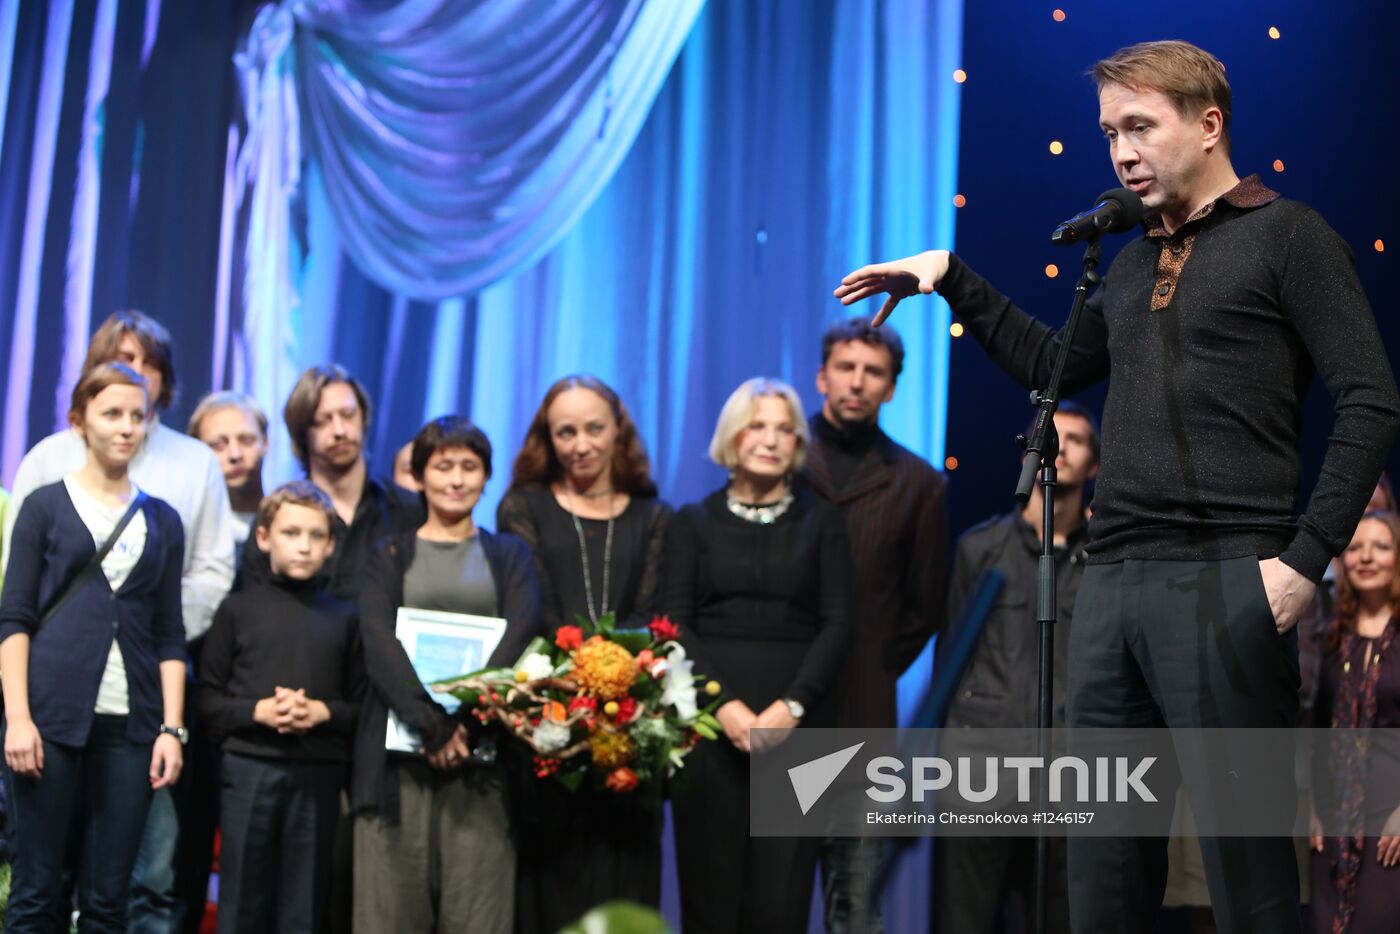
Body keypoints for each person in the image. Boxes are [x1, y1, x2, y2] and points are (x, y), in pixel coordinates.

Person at [835, 39, 1400, 933]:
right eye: (1109, 134)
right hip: (1109, 585)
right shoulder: (1130, 258)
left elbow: (1372, 400)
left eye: (1140, 127)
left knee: (1246, 876)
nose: (1121, 152)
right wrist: (951, 279)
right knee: (1100, 876)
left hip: (1228, 577)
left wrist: (1303, 560)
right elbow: (1051, 367)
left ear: (1209, 125)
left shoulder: (1290, 236)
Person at [1, 310, 235, 933]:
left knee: (112, 899)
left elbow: (168, 635)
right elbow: (15, 615)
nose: (127, 427)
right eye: (112, 413)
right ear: (81, 418)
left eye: (136, 414)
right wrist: (18, 718)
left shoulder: (163, 518)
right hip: (50, 714)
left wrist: (172, 729)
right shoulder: (46, 500)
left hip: (131, 724)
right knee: (36, 890)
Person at [667, 377, 854, 934]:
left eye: (784, 429)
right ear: (732, 436)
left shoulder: (823, 522)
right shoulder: (691, 523)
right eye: (757, 425)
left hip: (797, 737)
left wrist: (790, 709)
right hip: (708, 733)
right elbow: (674, 623)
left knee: (781, 909)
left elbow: (839, 623)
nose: (770, 440)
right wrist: (723, 708)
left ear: (798, 444)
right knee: (710, 904)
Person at [497, 375, 671, 932]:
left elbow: (652, 615)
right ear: (546, 439)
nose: (580, 444)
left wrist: (619, 682)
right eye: (564, 432)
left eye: (594, 428)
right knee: (550, 890)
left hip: (630, 729)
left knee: (624, 883)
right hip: (551, 724)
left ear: (618, 429)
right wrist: (582, 683)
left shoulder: (653, 515)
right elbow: (536, 610)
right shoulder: (523, 505)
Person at [353, 417, 540, 933]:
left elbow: (521, 635)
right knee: (389, 914)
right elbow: (378, 641)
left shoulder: (510, 554)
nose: (456, 479)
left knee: (477, 915)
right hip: (398, 759)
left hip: (482, 757)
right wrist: (433, 726)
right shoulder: (388, 554)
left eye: (469, 467)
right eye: (442, 467)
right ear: (419, 476)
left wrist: (467, 723)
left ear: (486, 477)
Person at [801, 316, 948, 932]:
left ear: (891, 389)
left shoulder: (918, 483)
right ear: (822, 376)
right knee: (763, 900)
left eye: (873, 373)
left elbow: (925, 605)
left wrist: (870, 661)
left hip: (862, 718)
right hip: (771, 708)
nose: (857, 383)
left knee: (857, 906)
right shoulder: (776, 457)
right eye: (846, 368)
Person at [933, 403, 1100, 934]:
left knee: (1060, 918)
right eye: (1054, 437)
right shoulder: (980, 550)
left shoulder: (1106, 560)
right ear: (1031, 452)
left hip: (1074, 773)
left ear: (1095, 464)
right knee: (966, 918)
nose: (1063, 447)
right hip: (980, 767)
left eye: (1076, 440)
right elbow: (951, 661)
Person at [199, 480, 364, 933]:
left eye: (316, 536)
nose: (304, 547)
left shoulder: (345, 617)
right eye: (291, 533)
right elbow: (208, 700)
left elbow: (362, 705)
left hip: (318, 774)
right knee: (241, 904)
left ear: (331, 545)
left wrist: (321, 713)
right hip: (248, 768)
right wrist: (259, 712)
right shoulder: (237, 610)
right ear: (264, 537)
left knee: (303, 906)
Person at [238, 364, 423, 601]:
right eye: (323, 420)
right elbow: (254, 612)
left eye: (348, 415)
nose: (339, 430)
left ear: (363, 418)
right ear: (302, 433)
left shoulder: (409, 511)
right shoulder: (276, 517)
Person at [1308, 511, 1400, 934]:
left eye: (1380, 546)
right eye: (1356, 547)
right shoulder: (1330, 637)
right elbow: (1320, 730)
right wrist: (1313, 805)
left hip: (1390, 820)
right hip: (1335, 820)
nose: (1366, 557)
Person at [189, 392, 270, 556]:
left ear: (265, 442)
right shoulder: (188, 530)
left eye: (246, 440)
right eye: (218, 445)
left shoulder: (288, 524)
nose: (235, 454)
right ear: (196, 451)